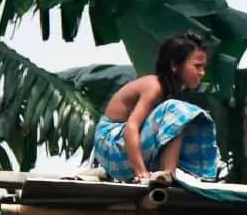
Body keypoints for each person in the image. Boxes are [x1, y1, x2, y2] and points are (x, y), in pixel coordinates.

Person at [92, 31, 221, 182]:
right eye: (197, 66)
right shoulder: (155, 87)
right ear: (174, 65)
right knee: (178, 113)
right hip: (109, 145)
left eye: (203, 67)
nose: (202, 73)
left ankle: (167, 174)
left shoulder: (171, 92)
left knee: (189, 120)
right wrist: (141, 172)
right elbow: (131, 127)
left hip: (122, 150)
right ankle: (168, 172)